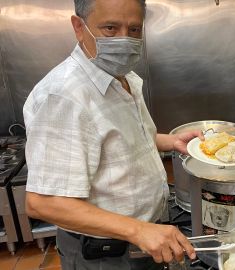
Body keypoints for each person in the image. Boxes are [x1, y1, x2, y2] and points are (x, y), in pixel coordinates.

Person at [23, 0, 203, 269]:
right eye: (110, 28)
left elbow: (114, 141)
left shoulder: (123, 77)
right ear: (78, 27)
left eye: (133, 29)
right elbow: (43, 203)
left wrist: (169, 141)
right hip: (105, 254)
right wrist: (138, 230)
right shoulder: (63, 97)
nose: (124, 40)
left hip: (139, 238)